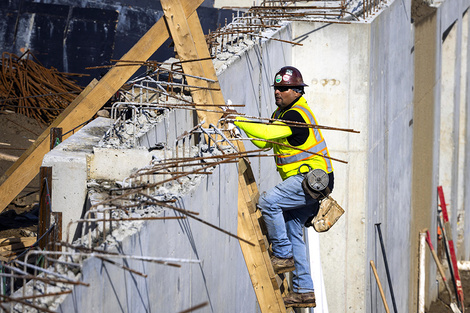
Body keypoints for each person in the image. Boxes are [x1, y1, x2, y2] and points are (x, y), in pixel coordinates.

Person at [232, 66, 334, 308]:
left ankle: (282, 255)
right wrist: (242, 128)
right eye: (276, 87)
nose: (278, 91)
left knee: (268, 201)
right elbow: (263, 141)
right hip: (307, 182)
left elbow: (266, 132)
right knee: (291, 228)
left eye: (283, 88)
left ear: (297, 91)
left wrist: (237, 119)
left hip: (312, 181)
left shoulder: (296, 115)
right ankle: (304, 291)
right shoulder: (280, 114)